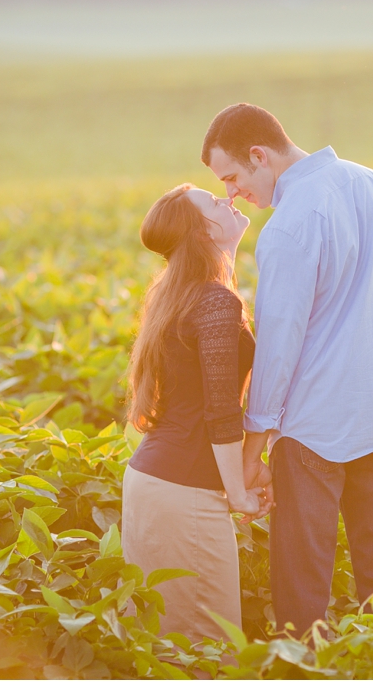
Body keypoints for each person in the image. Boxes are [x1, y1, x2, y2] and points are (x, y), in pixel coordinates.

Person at [201, 103, 373, 636]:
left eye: (233, 178)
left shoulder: (288, 227)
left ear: (259, 155)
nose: (233, 194)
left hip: (311, 432)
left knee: (302, 594)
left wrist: (254, 446)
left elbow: (279, 347)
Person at [122, 183, 272, 642]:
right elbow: (221, 412)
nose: (226, 200)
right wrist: (239, 493)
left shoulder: (183, 293)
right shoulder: (213, 301)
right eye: (213, 201)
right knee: (209, 646)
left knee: (169, 642)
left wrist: (253, 473)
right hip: (184, 493)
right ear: (204, 230)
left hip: (155, 483)